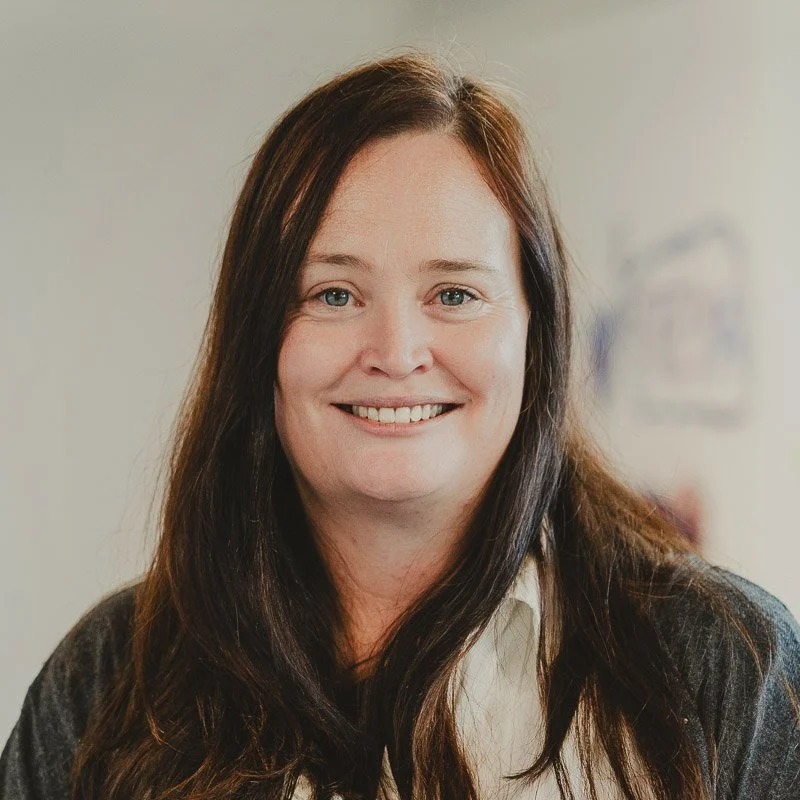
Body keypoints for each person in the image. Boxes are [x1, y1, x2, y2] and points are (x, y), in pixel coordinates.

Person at [1, 51, 799, 800]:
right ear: (258, 338)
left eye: (453, 294)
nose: (395, 353)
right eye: (334, 295)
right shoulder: (107, 679)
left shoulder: (728, 666)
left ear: (536, 334)